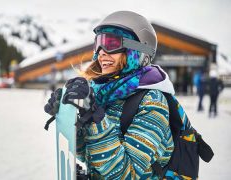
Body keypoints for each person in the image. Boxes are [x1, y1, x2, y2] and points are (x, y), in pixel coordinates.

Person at [44, 11, 186, 179]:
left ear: (138, 52)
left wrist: (95, 117)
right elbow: (90, 155)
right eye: (98, 43)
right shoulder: (105, 94)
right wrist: (70, 117)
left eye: (111, 43)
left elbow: (127, 175)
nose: (102, 52)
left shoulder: (153, 102)